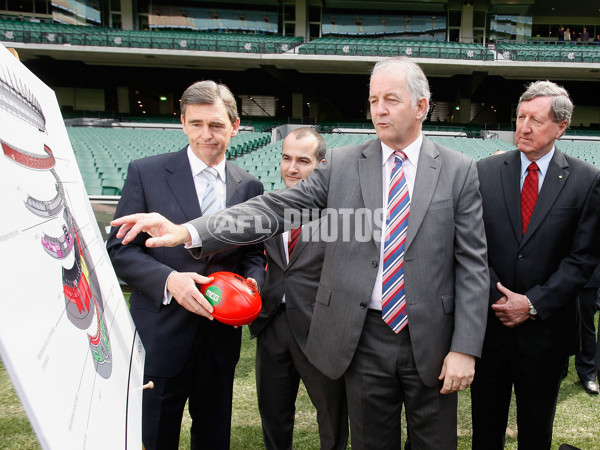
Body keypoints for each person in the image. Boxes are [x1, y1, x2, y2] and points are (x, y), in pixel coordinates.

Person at [111, 56, 490, 449]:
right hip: (363, 337)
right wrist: (189, 231)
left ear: (422, 106)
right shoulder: (343, 164)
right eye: (374, 98)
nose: (379, 109)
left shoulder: (459, 170)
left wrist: (464, 347)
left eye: (391, 99)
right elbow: (274, 209)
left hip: (431, 338)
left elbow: (473, 266)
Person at [106, 80, 267, 450]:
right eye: (196, 124)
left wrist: (252, 284)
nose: (205, 135)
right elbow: (120, 251)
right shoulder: (146, 173)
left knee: (213, 439)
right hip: (160, 336)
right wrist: (170, 281)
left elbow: (253, 254)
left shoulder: (249, 187)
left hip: (219, 341)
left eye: (215, 125)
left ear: (235, 125)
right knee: (153, 437)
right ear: (182, 123)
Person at [472, 80, 600, 450]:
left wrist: (531, 304)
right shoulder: (484, 172)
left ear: (561, 127)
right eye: (520, 117)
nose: (524, 127)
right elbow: (472, 245)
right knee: (485, 430)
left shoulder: (586, 180)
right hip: (489, 329)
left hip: (546, 334)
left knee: (536, 434)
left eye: (536, 120)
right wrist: (501, 299)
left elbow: (582, 259)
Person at [252, 127, 348, 450]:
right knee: (274, 416)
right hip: (271, 326)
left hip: (319, 329)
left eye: (302, 161)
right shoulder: (266, 206)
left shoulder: (341, 216)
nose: (292, 168)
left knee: (332, 419)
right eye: (286, 159)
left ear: (320, 165)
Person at [573, 265, 600, 394]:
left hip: (588, 277)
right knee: (556, 323)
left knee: (586, 325)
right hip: (556, 276)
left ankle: (588, 373)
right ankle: (559, 369)